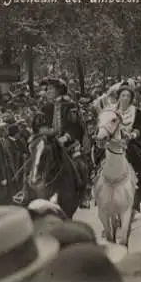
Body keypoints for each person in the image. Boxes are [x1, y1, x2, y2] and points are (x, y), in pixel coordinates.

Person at [32, 78, 91, 209]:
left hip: (68, 143)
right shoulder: (45, 107)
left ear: (59, 90)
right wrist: (45, 132)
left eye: (51, 89)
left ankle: (83, 194)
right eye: (47, 89)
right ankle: (27, 191)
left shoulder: (70, 106)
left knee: (80, 164)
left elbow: (75, 126)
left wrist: (66, 137)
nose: (48, 91)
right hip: (49, 142)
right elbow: (38, 124)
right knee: (33, 158)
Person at [114, 81, 141, 214]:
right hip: (115, 142)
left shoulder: (136, 112)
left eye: (128, 96)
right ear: (119, 97)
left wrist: (133, 134)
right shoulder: (112, 112)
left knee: (137, 155)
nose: (125, 98)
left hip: (132, 142)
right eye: (123, 95)